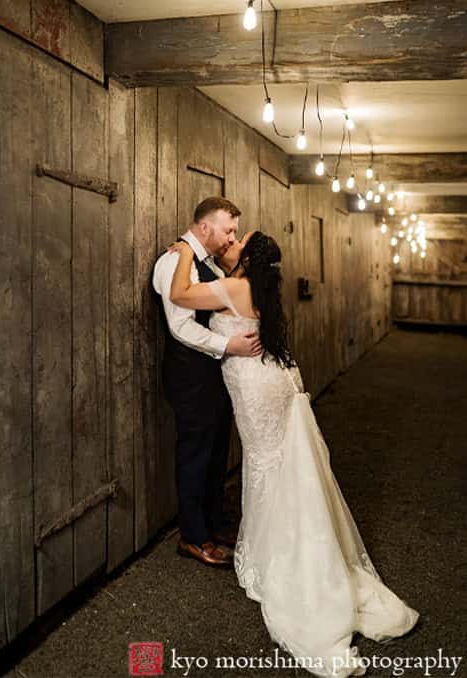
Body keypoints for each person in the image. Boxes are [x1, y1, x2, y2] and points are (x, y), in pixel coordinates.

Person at [169, 229, 418, 677]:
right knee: (274, 461)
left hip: (254, 385)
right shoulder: (259, 286)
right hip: (274, 381)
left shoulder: (236, 286)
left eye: (238, 240)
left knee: (265, 462)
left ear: (248, 257)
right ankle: (279, 542)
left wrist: (186, 248)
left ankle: (278, 554)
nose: (232, 243)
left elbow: (180, 294)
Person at [151, 197, 262, 568]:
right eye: (228, 229)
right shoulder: (174, 262)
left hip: (215, 375)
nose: (231, 237)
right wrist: (228, 344)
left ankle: (214, 525)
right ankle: (193, 537)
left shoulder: (210, 263)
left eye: (234, 231)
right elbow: (180, 326)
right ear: (204, 228)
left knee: (216, 455)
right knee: (195, 455)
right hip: (190, 376)